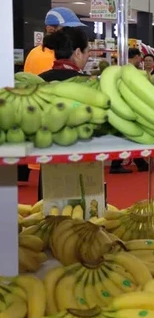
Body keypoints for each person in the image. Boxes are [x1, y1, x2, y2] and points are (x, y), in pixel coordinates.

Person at [35, 28, 92, 200]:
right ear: (77, 52)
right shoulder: (87, 85)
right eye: (87, 51)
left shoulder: (39, 80)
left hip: (48, 158)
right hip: (82, 160)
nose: (88, 57)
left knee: (47, 215)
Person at [110, 48, 149, 174]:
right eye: (140, 57)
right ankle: (117, 165)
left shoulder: (121, 68)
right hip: (129, 105)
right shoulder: (131, 71)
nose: (141, 60)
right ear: (136, 57)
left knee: (131, 134)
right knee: (128, 134)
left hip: (123, 104)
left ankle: (140, 162)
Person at [24, 7, 86, 75]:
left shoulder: (37, 51)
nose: (72, 34)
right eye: (68, 29)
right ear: (51, 30)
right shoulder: (49, 57)